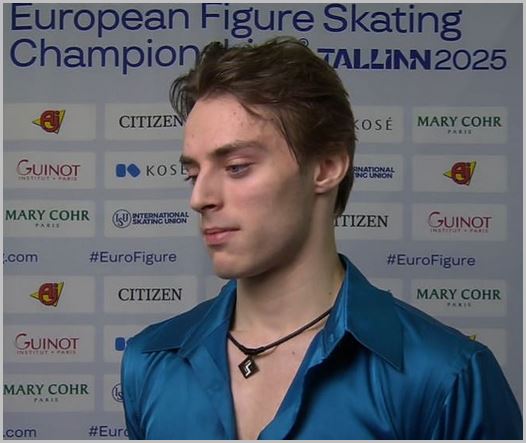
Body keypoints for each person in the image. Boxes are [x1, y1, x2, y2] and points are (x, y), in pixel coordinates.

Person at [121, 37, 522, 440]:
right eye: (192, 174)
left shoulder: (445, 377)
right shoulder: (151, 362)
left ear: (327, 167)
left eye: (237, 167)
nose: (199, 198)